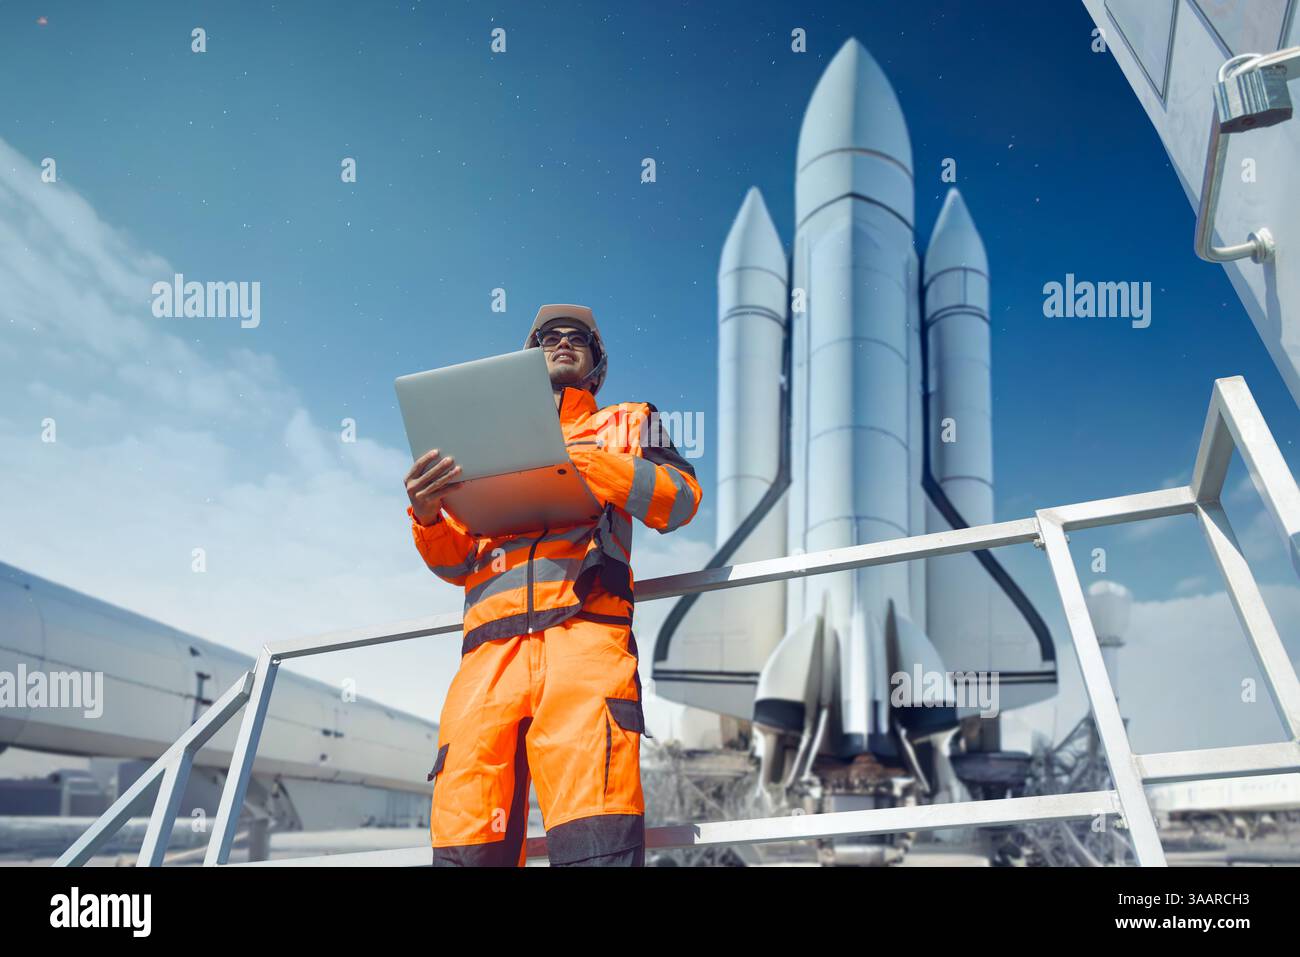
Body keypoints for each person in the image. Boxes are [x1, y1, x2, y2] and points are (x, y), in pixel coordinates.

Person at [404, 303, 702, 866]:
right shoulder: (479, 441)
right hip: (486, 663)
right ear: (528, 357)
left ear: (597, 361)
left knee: (597, 838)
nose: (562, 342)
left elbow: (681, 498)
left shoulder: (633, 420)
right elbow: (456, 561)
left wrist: (589, 463)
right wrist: (425, 514)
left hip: (585, 642)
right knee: (468, 833)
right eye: (547, 337)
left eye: (578, 337)